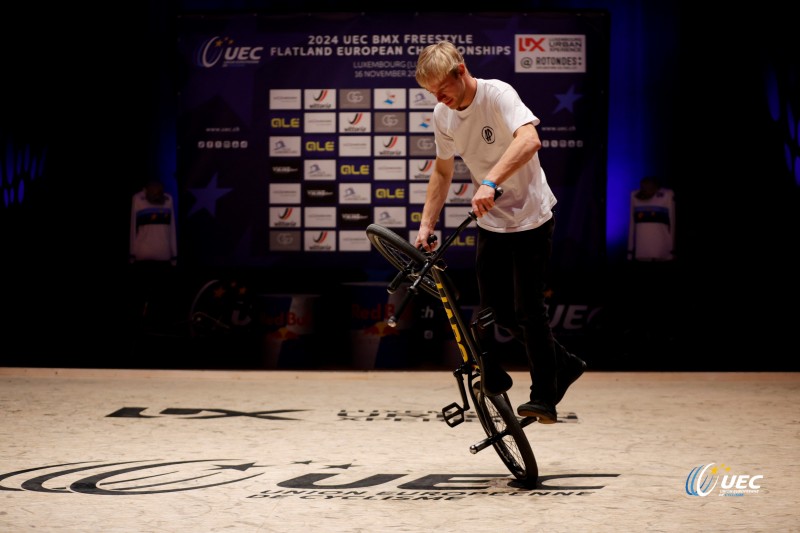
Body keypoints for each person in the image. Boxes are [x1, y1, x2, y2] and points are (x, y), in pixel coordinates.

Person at [413, 41, 585, 424]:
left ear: (461, 71)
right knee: (496, 312)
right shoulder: (443, 114)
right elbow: (441, 172)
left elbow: (530, 140)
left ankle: (545, 395)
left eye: (441, 89)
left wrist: (489, 181)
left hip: (531, 217)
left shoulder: (498, 94)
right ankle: (565, 363)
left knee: (529, 311)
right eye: (431, 93)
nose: (438, 98)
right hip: (492, 221)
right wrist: (426, 224)